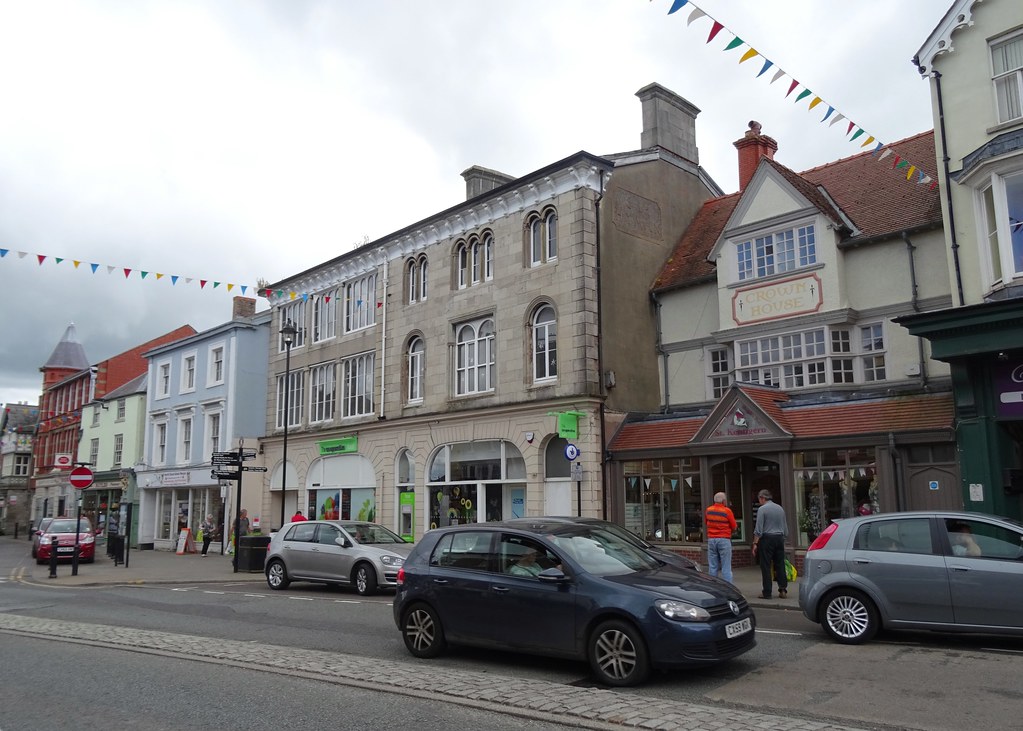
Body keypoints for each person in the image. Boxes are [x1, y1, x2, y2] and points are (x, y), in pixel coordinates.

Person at [752, 489, 788, 599]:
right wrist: (783, 538)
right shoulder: (780, 508)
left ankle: (767, 592)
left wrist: (755, 543)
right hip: (779, 538)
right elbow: (785, 527)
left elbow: (759, 528)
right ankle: (783, 589)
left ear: (762, 498)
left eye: (759, 499)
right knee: (780, 564)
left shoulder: (762, 509)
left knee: (766, 566)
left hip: (767, 538)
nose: (759, 501)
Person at [705, 492, 737, 583]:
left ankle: (713, 587)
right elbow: (734, 526)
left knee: (713, 566)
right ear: (723, 501)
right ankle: (728, 589)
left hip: (711, 539)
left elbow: (706, 522)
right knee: (726, 567)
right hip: (724, 539)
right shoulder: (727, 511)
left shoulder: (708, 510)